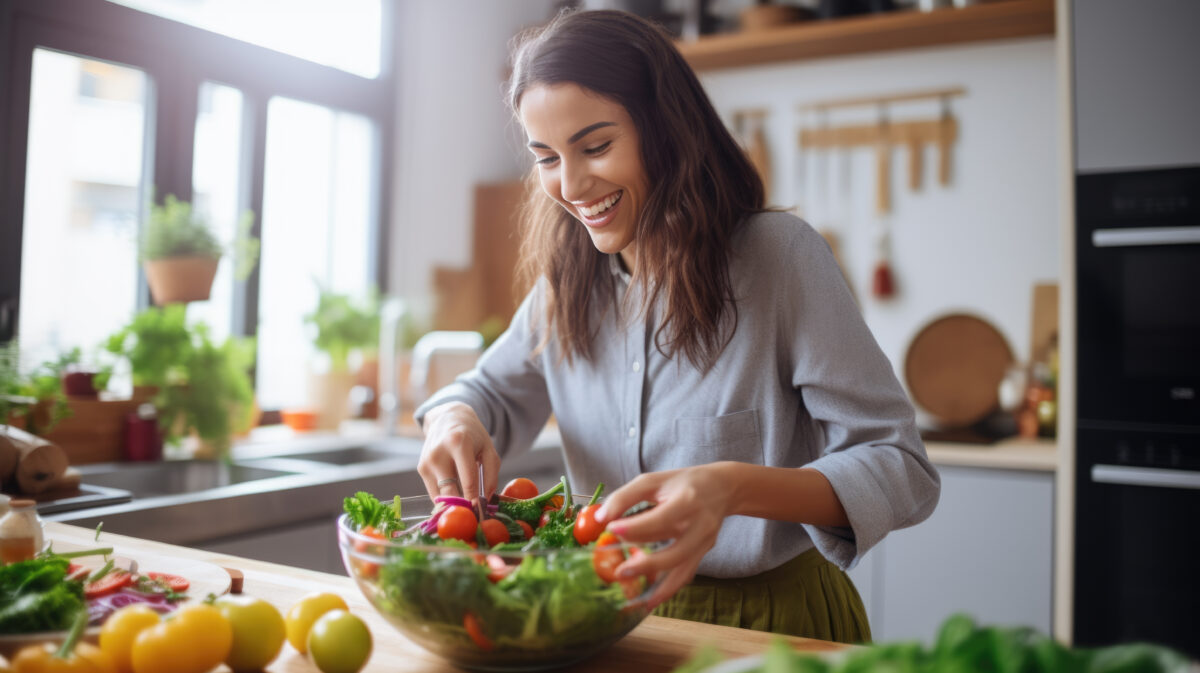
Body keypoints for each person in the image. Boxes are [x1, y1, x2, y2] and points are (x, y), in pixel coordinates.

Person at [414, 9, 940, 644]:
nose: (572, 184)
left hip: (771, 628)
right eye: (547, 157)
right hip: (608, 619)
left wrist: (731, 487)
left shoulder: (779, 257)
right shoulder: (567, 287)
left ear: (667, 130)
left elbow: (902, 468)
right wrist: (453, 418)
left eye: (597, 146)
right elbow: (484, 395)